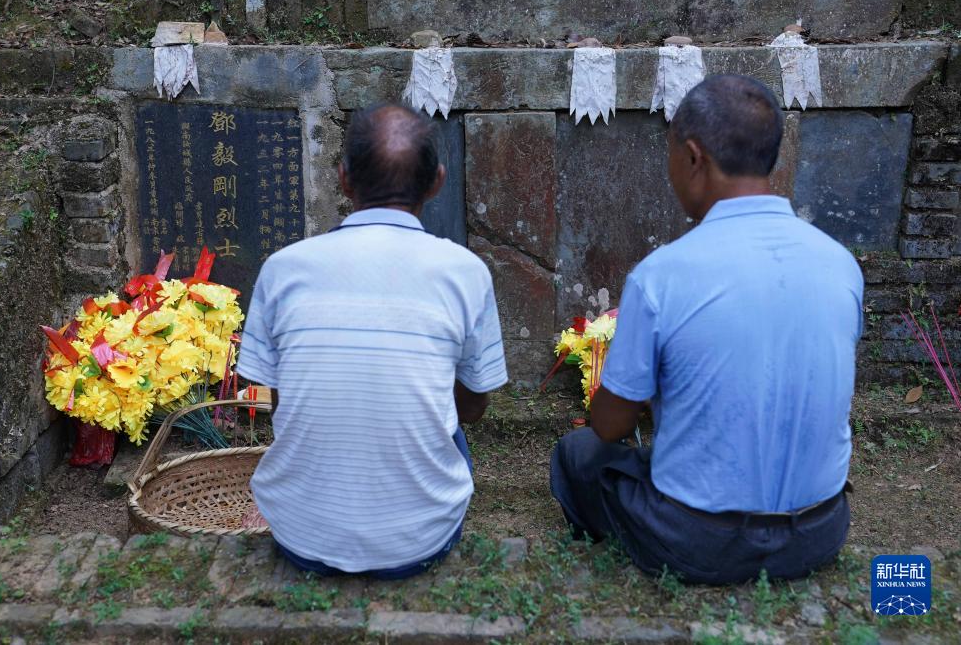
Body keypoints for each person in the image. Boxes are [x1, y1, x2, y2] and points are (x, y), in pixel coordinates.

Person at [550, 75, 863, 585]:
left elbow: (609, 426)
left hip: (697, 540)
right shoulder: (840, 264)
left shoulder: (663, 275)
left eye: (670, 155)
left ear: (693, 157)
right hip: (821, 530)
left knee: (579, 453)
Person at [237, 103, 508, 579]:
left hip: (301, 536)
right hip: (421, 540)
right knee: (450, 430)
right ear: (438, 182)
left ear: (343, 179)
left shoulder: (283, 268)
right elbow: (472, 407)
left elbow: (283, 405)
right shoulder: (466, 273)